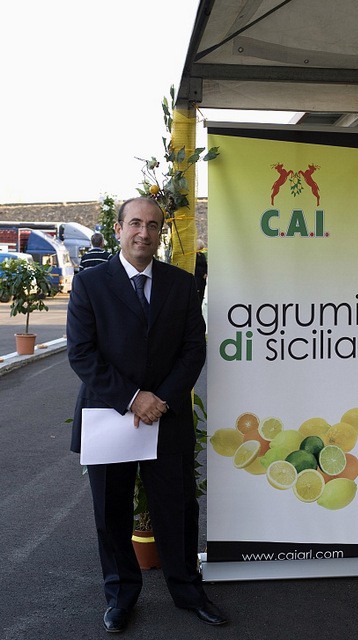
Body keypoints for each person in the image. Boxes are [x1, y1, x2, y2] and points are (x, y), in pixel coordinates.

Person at [67, 197, 227, 633]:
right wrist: (134, 398)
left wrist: (162, 399)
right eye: (135, 223)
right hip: (109, 415)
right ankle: (120, 596)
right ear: (118, 229)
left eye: (153, 225)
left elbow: (193, 348)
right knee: (111, 511)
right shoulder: (90, 283)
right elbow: (81, 352)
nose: (144, 232)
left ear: (161, 233)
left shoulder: (181, 284)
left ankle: (188, 591)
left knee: (177, 508)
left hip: (166, 416)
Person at [194, 238, 207, 305]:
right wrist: (202, 274)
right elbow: (196, 266)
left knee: (202, 293)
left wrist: (206, 273)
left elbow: (205, 264)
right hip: (197, 277)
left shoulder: (202, 255)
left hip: (203, 279)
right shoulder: (194, 255)